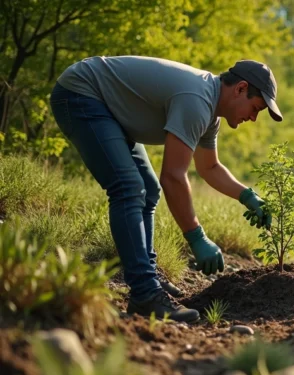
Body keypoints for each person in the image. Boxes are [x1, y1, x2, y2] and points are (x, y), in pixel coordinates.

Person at [49, 55, 280, 322]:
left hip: (107, 108)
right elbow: (172, 177)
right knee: (128, 187)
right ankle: (145, 293)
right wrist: (196, 237)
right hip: (81, 93)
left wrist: (247, 196)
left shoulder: (210, 114)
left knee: (147, 189)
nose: (253, 118)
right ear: (240, 88)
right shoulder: (198, 100)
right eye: (256, 108)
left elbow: (209, 167)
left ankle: (148, 278)